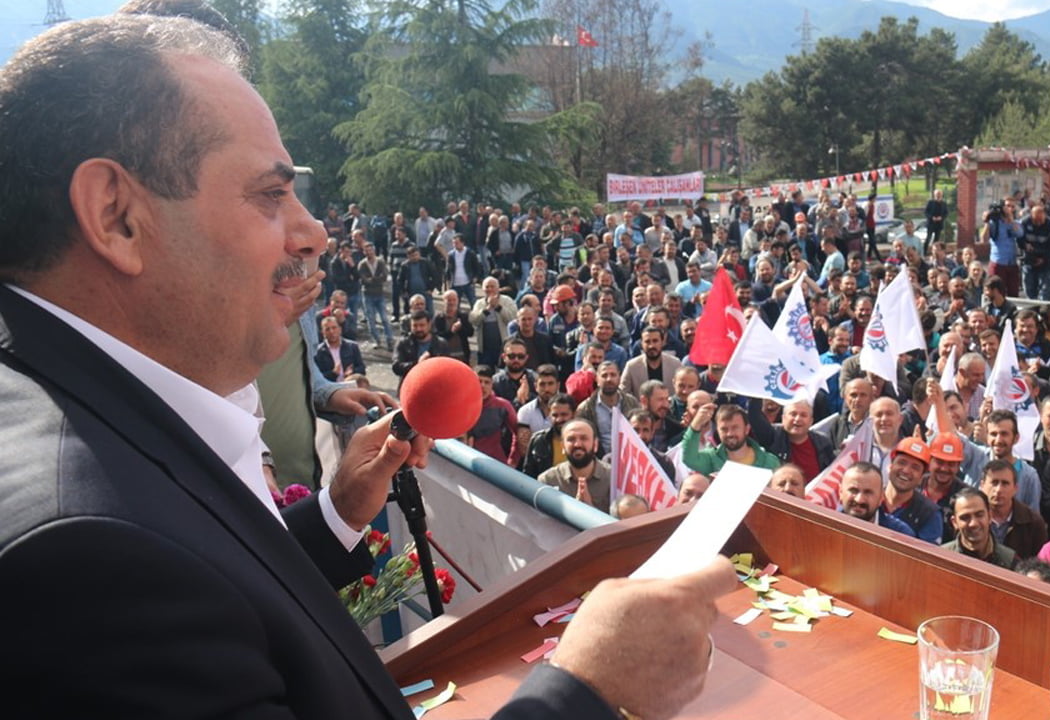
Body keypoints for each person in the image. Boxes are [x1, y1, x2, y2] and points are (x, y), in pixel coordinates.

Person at [0, 12, 737, 720]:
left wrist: (335, 514)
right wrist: (586, 689)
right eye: (269, 194)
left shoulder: (81, 426)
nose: (314, 231)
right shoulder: (83, 557)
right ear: (115, 217)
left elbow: (221, 596)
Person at [681, 403, 782, 475]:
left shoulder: (769, 461)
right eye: (724, 429)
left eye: (735, 428)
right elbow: (689, 459)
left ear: (746, 429)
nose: (730, 434)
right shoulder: (712, 458)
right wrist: (695, 426)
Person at [537, 419, 611, 512]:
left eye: (584, 438)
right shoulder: (548, 480)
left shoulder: (613, 478)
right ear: (562, 447)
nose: (577, 444)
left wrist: (590, 509)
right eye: (571, 439)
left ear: (595, 444)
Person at [942, 487, 1017, 569]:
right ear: (954, 522)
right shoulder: (942, 558)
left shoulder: (1009, 561)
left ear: (990, 516)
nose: (973, 523)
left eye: (979, 515)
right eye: (965, 517)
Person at [839, 462, 914, 536]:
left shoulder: (901, 535)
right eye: (853, 491)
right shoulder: (828, 526)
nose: (859, 500)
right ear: (840, 492)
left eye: (868, 492)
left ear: (881, 497)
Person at [315, 315, 366, 382]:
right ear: (323, 333)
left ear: (340, 329)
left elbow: (362, 369)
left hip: (350, 386)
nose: (331, 332)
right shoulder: (319, 352)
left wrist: (352, 372)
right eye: (327, 329)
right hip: (331, 388)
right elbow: (316, 377)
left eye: (334, 328)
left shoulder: (352, 346)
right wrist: (333, 373)